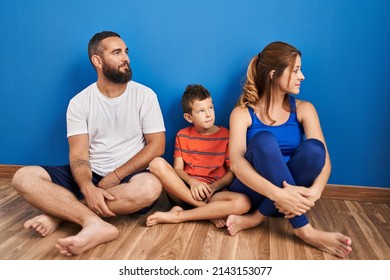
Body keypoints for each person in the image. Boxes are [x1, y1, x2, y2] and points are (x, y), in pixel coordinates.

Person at [11, 31, 166, 256]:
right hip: (90, 174)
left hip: (128, 177)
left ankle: (59, 215)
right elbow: (78, 154)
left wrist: (116, 175)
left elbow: (156, 146)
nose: (126, 58)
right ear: (97, 61)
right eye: (117, 52)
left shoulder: (145, 95)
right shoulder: (79, 103)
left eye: (126, 51)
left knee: (150, 188)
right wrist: (87, 187)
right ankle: (93, 222)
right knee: (23, 177)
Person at [226, 41, 352, 258]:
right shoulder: (242, 113)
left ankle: (258, 218)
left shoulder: (305, 109)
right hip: (257, 193)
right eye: (295, 70)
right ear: (274, 74)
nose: (302, 76)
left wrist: (316, 192)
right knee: (264, 139)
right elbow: (237, 164)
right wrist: (278, 194)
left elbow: (325, 161)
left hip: (288, 203)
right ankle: (305, 230)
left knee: (315, 149)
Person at [146, 84, 250, 227]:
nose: (208, 114)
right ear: (189, 117)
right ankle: (205, 211)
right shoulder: (182, 135)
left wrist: (213, 187)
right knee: (156, 163)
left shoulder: (227, 135)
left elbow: (232, 172)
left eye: (210, 108)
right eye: (201, 111)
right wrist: (192, 182)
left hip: (213, 194)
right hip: (184, 192)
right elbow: (178, 169)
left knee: (244, 202)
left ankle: (180, 215)